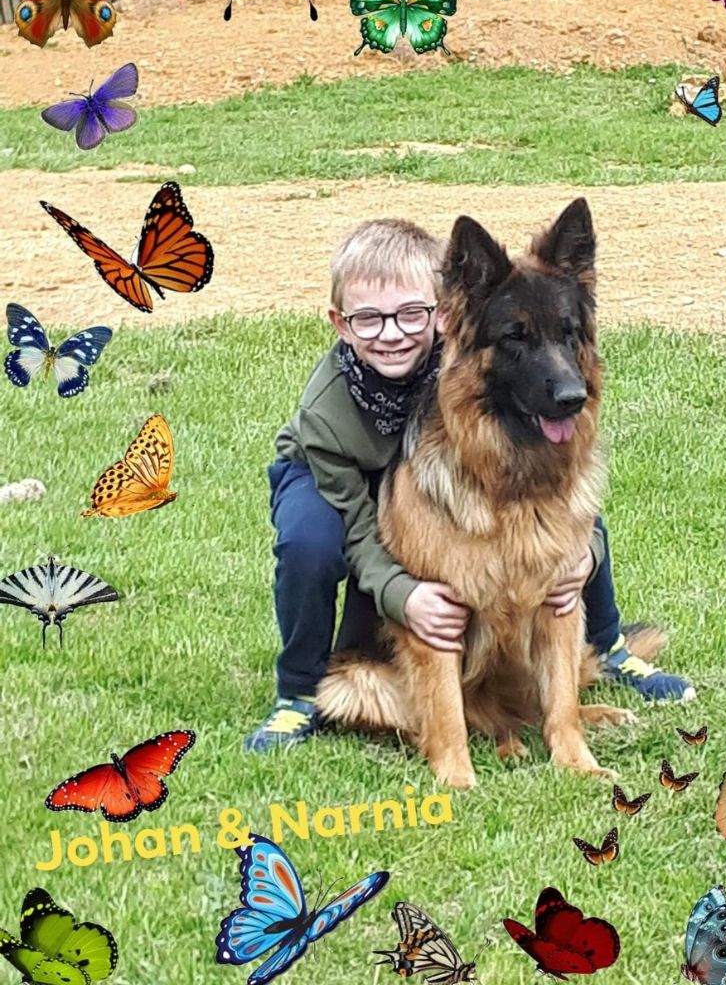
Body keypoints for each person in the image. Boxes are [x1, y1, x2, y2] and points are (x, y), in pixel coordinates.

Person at [244, 218, 695, 753]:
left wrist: (583, 556)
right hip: (340, 477)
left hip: (431, 458)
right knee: (309, 542)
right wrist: (404, 596)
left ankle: (608, 645)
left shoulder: (457, 345)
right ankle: (297, 691)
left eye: (411, 314)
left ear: (440, 313)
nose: (392, 332)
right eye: (369, 319)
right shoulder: (326, 413)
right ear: (342, 324)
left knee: (563, 500)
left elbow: (559, 504)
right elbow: (365, 533)